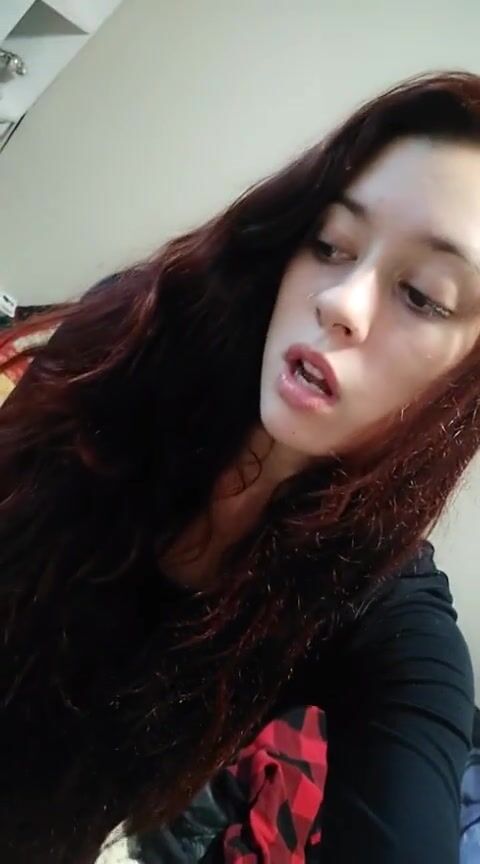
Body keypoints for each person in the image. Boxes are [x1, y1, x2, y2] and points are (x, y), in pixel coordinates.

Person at [0, 70, 479, 864]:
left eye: (424, 296)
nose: (341, 302)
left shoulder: (382, 609)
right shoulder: (132, 340)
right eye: (331, 244)